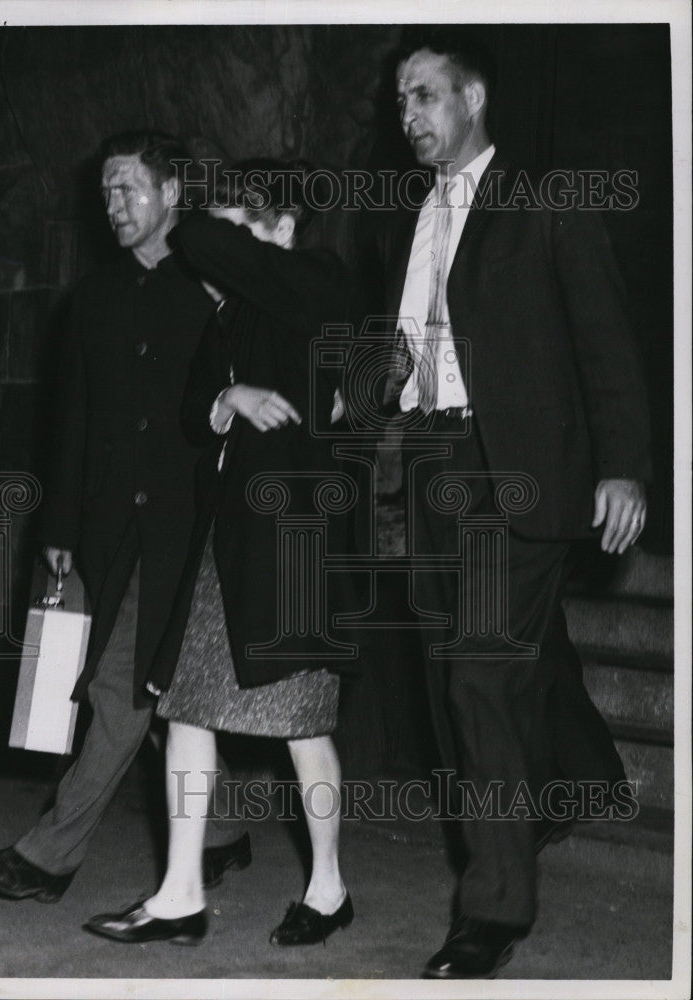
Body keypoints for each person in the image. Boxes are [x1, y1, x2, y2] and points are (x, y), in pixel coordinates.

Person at [364, 29, 651, 978]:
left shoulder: (543, 197)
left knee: (479, 678)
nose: (408, 117)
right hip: (435, 461)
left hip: (518, 466)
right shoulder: (421, 210)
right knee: (475, 669)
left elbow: (604, 336)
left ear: (473, 98)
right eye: (400, 102)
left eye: (424, 97)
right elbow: (417, 330)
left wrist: (623, 465)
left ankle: (492, 911)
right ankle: (577, 783)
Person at [0, 131, 250, 904]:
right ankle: (220, 830)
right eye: (106, 192)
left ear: (172, 193)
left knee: (121, 685)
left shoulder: (218, 287)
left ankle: (48, 856)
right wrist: (56, 530)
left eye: (128, 189)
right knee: (151, 687)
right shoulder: (93, 297)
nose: (112, 205)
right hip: (110, 522)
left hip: (190, 525)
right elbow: (70, 421)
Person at [83, 160, 357, 947]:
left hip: (297, 542)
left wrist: (206, 215)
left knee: (302, 725)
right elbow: (191, 414)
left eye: (241, 231)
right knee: (186, 711)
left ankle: (329, 887)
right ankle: (178, 893)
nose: (218, 254)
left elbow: (204, 239)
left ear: (280, 228)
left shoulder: (315, 279)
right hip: (224, 542)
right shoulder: (230, 314)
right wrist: (224, 399)